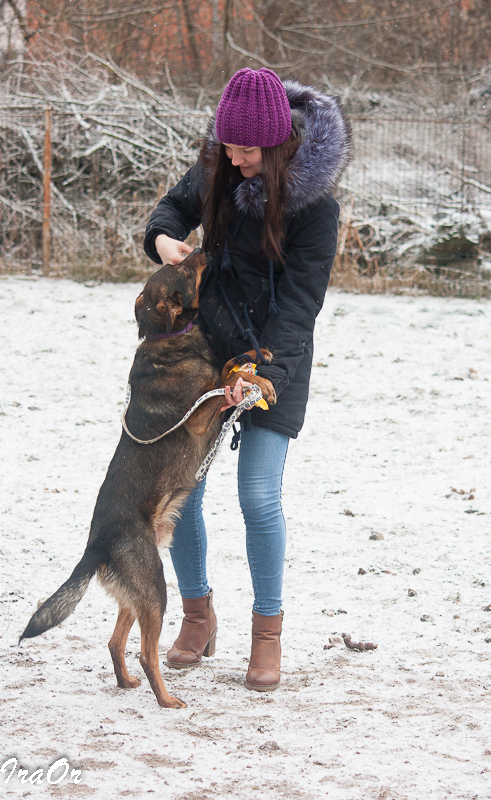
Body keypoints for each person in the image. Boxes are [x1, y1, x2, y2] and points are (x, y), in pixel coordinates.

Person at [143, 67, 350, 691]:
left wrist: (260, 373)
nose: (234, 160)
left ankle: (267, 634)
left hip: (276, 358)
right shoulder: (218, 169)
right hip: (206, 349)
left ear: (279, 144)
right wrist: (164, 240)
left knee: (258, 495)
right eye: (228, 147)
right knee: (183, 492)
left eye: (247, 151)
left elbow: (299, 307)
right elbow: (172, 209)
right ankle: (197, 615)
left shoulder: (315, 208)